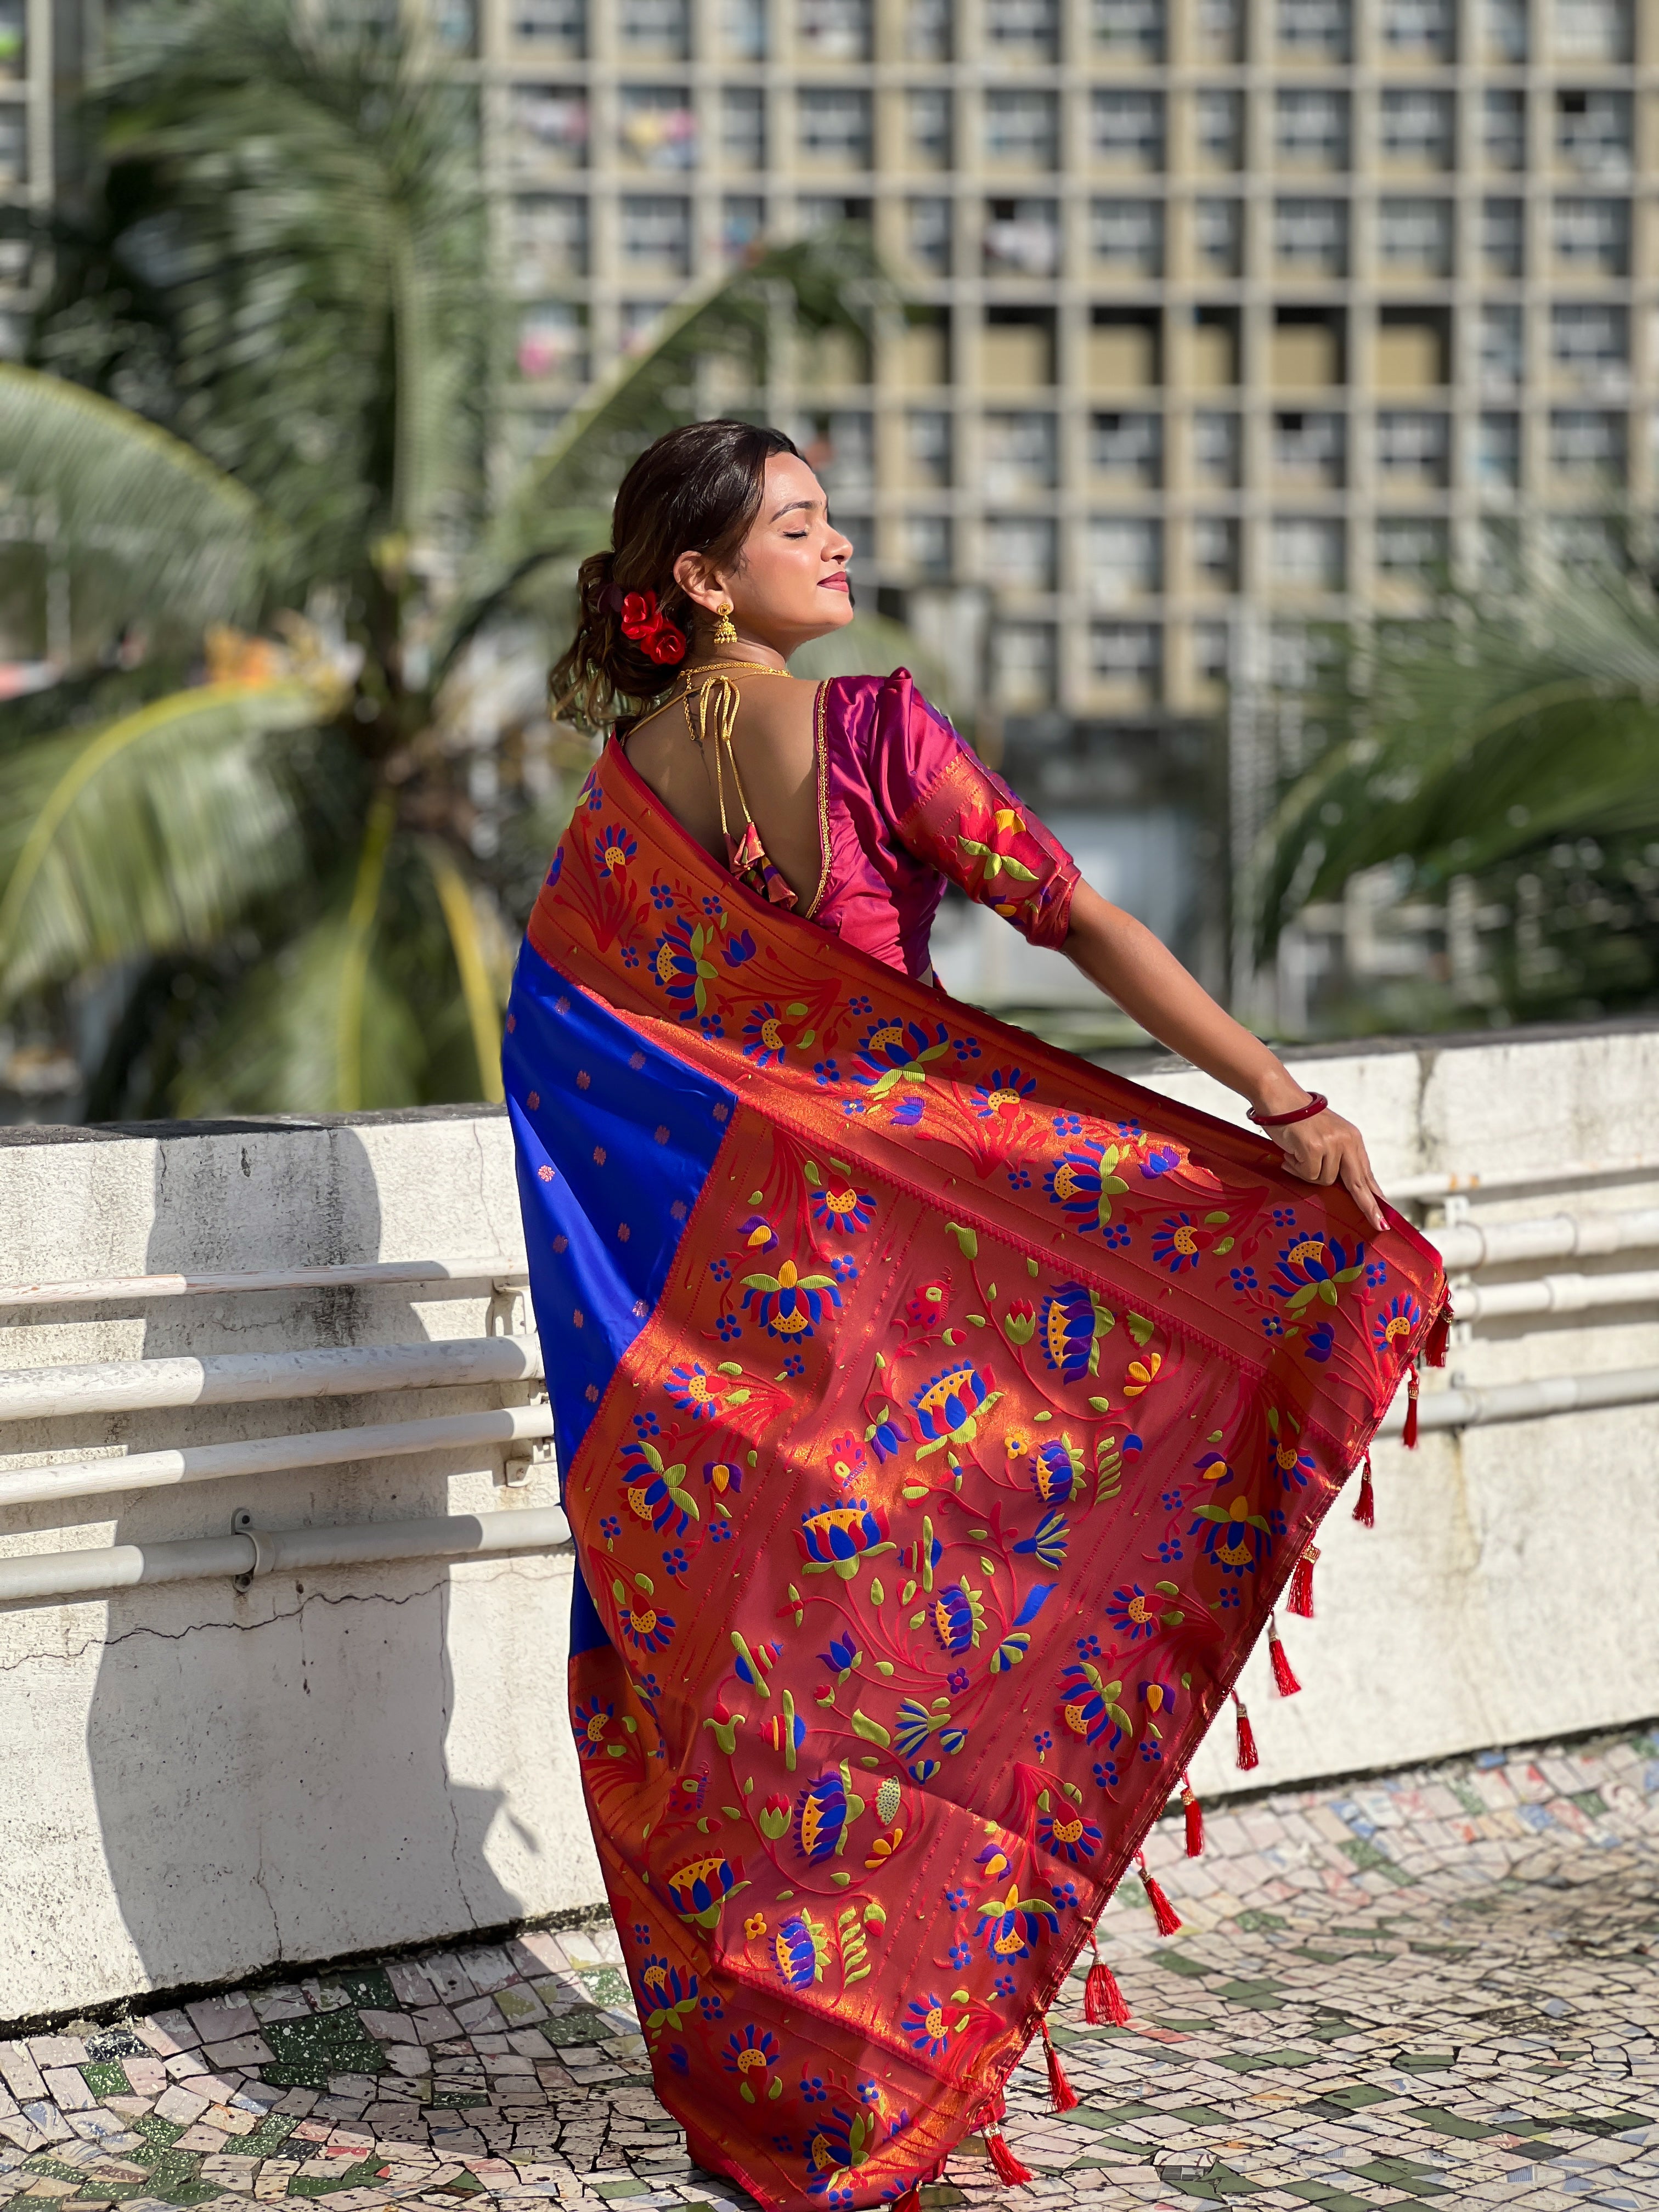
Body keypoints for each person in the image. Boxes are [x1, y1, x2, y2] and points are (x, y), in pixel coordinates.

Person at [505, 421, 1446, 2212]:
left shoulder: (617, 809)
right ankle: (893, 2069)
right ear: (704, 581)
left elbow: (564, 1063)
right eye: (799, 523)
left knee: (773, 1687)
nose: (837, 544)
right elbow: (1076, 919)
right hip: (918, 1313)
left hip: (728, 1339)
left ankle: (809, 2094)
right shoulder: (864, 730)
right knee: (930, 1668)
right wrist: (1273, 1100)